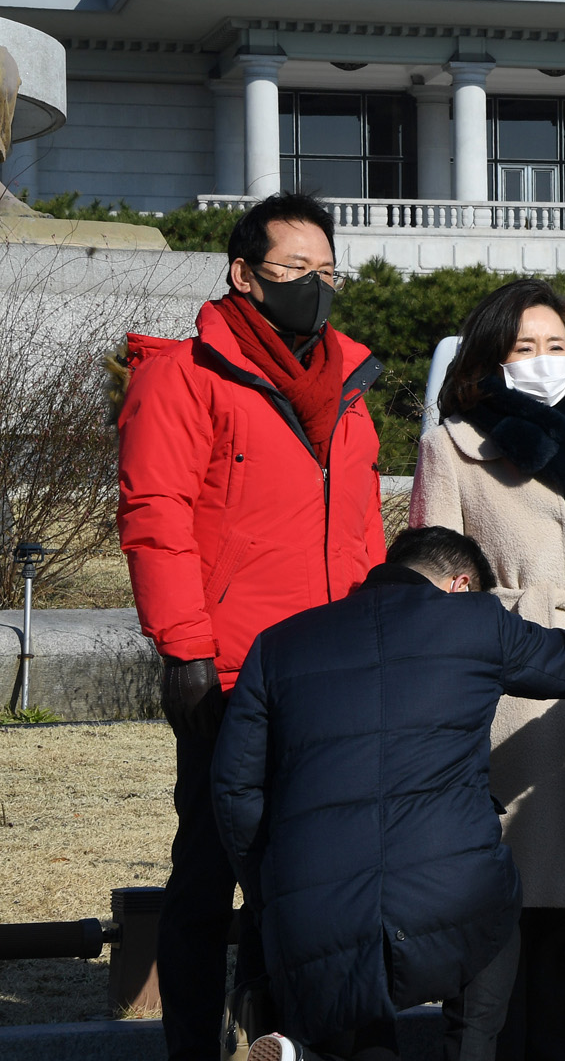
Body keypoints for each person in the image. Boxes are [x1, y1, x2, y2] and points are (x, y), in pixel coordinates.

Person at [215, 526, 565, 1061]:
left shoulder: (279, 644)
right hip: (455, 897)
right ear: (459, 584)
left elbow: (234, 791)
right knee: (488, 954)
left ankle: (303, 1054)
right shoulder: (473, 621)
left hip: (317, 912)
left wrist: (273, 894)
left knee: (355, 1031)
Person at [116, 191, 385, 1061]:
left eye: (328, 270)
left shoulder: (347, 381)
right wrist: (185, 649)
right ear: (243, 274)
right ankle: (194, 1046)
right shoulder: (185, 372)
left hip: (334, 664)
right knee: (206, 871)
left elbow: (360, 530)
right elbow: (154, 514)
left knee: (307, 874)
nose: (316, 285)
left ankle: (282, 1038)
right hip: (231, 670)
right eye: (294, 269)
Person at [410, 279, 565, 1061]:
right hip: (502, 682)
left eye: (556, 346)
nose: (545, 362)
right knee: (500, 905)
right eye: (525, 348)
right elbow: (431, 578)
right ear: (490, 356)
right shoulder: (452, 444)